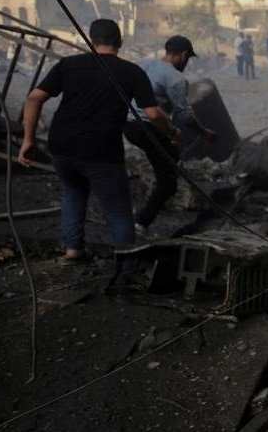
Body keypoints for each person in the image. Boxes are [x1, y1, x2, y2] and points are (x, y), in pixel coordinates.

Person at [19, 19, 176, 265]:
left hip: (62, 146)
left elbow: (34, 98)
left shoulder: (68, 65)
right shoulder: (132, 72)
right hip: (101, 151)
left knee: (73, 190)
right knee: (117, 209)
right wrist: (172, 131)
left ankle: (73, 251)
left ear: (90, 41)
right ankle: (125, 266)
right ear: (120, 42)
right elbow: (154, 114)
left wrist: (28, 140)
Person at [124, 35, 215, 237]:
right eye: (187, 58)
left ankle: (164, 175)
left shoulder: (143, 63)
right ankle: (140, 224)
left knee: (171, 153)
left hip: (127, 125)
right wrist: (203, 131)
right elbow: (184, 114)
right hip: (148, 127)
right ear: (183, 55)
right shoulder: (176, 78)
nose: (186, 62)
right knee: (168, 184)